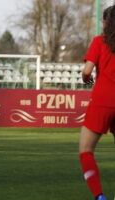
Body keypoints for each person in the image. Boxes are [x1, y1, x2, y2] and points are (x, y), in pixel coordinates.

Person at [79, 6, 115, 200]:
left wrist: (86, 79)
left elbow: (87, 70)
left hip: (103, 100)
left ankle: (99, 196)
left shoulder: (100, 41)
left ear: (107, 22)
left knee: (86, 151)